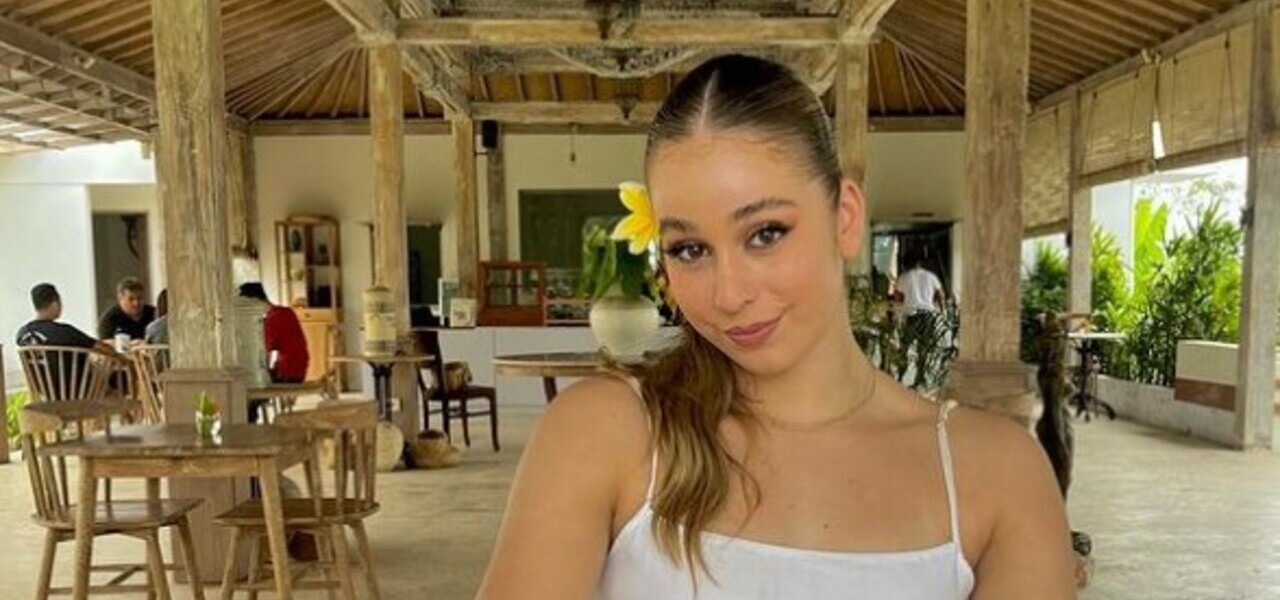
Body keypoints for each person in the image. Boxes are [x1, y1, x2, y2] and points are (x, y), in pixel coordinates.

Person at [477, 55, 1074, 599]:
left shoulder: (993, 474)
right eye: (689, 249)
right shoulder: (607, 434)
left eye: (765, 234)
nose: (729, 294)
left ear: (845, 219)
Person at [238, 283, 309, 383]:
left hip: (288, 372)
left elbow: (266, 349)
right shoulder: (287, 312)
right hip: (299, 369)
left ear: (255, 301)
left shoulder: (272, 317)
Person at [97, 277, 156, 342]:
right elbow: (105, 343)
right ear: (120, 298)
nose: (136, 303)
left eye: (139, 298)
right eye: (131, 299)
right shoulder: (109, 320)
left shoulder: (154, 314)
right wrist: (132, 344)